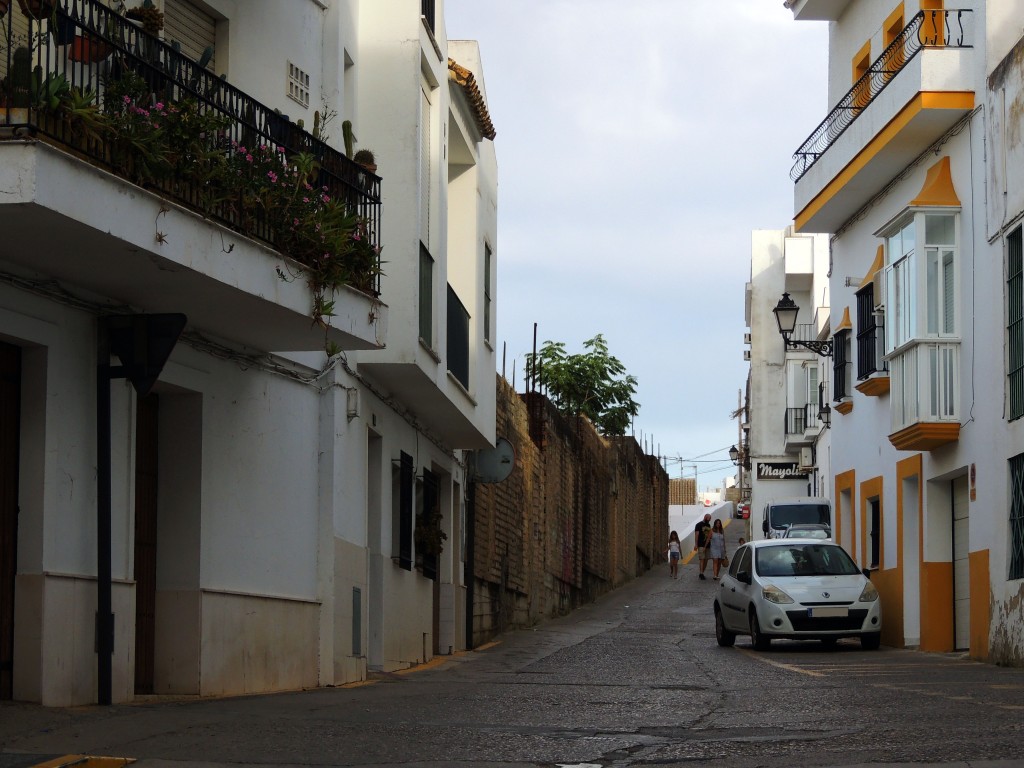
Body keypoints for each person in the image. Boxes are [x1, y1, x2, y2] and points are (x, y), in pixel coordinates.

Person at [694, 513, 712, 580]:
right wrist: (696, 544)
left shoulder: (708, 525)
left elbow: (709, 535)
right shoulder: (698, 525)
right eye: (708, 519)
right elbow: (696, 535)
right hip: (701, 545)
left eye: (710, 519)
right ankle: (701, 573)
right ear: (705, 517)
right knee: (702, 559)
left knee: (706, 559)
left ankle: (702, 572)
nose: (709, 520)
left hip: (707, 545)